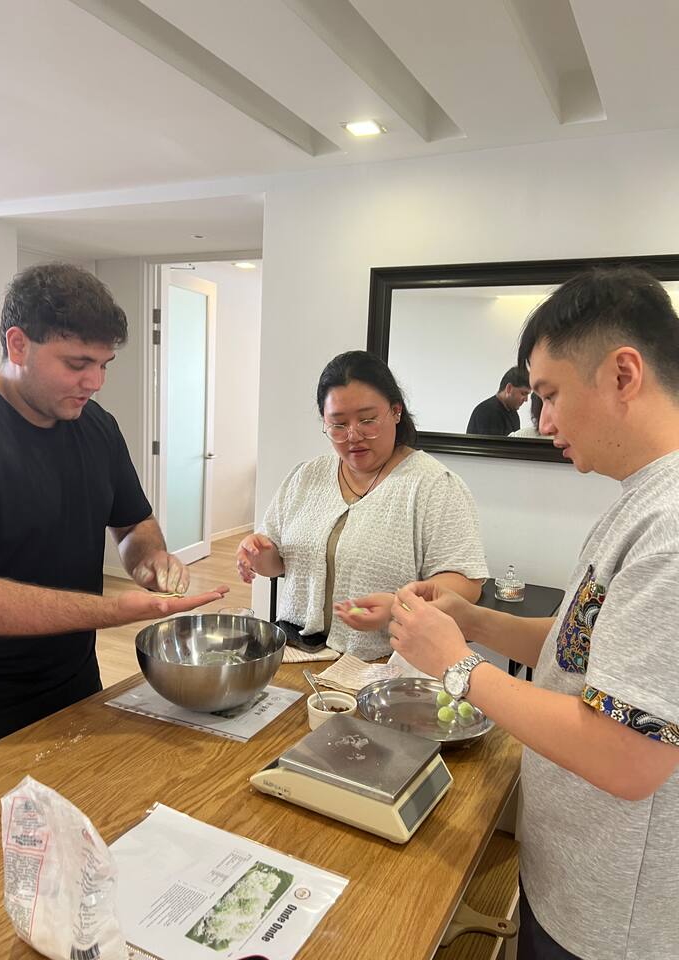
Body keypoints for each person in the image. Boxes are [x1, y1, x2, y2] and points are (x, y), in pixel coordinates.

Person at [388, 267, 679, 960]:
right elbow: (583, 647)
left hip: (612, 920)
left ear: (623, 374)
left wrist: (457, 666)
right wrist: (473, 623)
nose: (542, 421)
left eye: (549, 395)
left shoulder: (670, 529)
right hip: (573, 874)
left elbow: (628, 756)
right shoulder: (640, 501)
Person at [0, 263, 228, 757]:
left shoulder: (97, 425)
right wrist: (113, 611)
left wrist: (150, 559)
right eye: (78, 363)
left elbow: (134, 523)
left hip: (77, 683)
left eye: (105, 364)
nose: (95, 381)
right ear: (18, 345)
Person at [236, 351, 488, 659]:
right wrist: (259, 554)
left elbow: (465, 583)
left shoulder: (434, 486)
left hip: (386, 661)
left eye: (367, 420)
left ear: (396, 411)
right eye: (338, 424)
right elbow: (276, 563)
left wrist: (399, 606)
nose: (353, 435)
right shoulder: (306, 477)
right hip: (297, 652)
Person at [466, 366, 531, 435]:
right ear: (509, 388)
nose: (526, 399)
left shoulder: (513, 414)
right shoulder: (488, 412)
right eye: (523, 393)